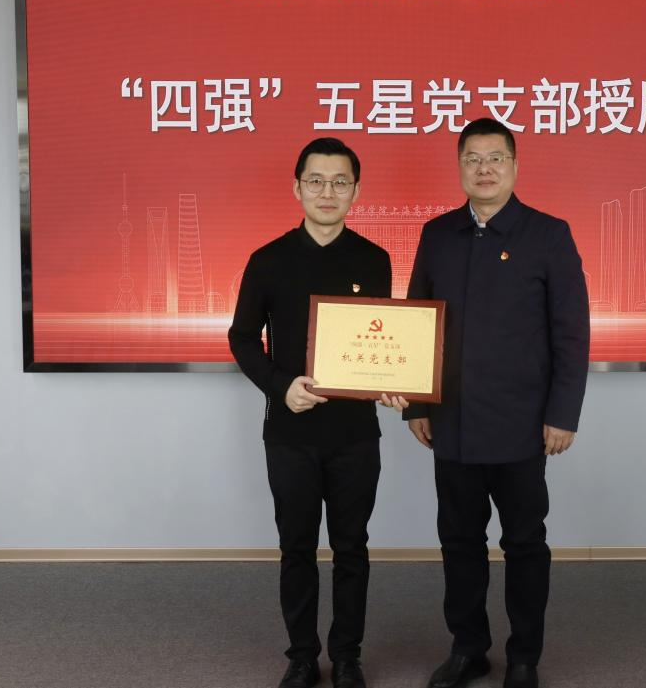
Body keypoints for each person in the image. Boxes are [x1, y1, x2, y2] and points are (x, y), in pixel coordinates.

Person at [396, 117, 590, 688]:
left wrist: (562, 414)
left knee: (524, 543)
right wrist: (416, 405)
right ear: (460, 167)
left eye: (496, 158)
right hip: (451, 422)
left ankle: (524, 656)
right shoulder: (438, 234)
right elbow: (417, 326)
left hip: (523, 424)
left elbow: (572, 334)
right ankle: (468, 648)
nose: (484, 169)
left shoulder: (548, 234)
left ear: (514, 165)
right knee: (459, 542)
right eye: (473, 159)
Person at [229, 138, 392, 688]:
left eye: (340, 181)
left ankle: (347, 656)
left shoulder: (374, 260)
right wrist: (281, 388)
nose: (328, 191)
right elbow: (242, 338)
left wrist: (393, 385)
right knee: (296, 547)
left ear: (356, 191)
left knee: (352, 549)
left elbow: (383, 341)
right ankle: (302, 656)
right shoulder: (268, 260)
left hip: (355, 435)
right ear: (297, 187)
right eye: (316, 180)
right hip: (290, 432)